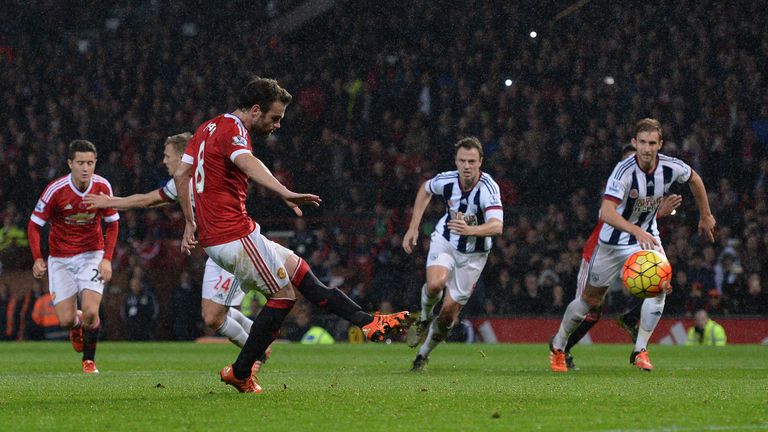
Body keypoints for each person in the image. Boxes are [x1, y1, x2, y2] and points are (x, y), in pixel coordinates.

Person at [174, 76, 412, 393]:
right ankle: (241, 372)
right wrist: (284, 191)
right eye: (275, 118)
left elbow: (181, 174)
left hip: (223, 236)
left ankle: (367, 322)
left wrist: (190, 221)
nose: (278, 125)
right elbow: (247, 161)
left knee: (302, 275)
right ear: (255, 110)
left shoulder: (207, 128)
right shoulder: (234, 130)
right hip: (233, 235)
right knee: (283, 297)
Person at [84, 133, 269, 369]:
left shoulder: (208, 174)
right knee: (214, 311)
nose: (164, 161)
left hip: (236, 245)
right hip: (217, 250)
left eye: (167, 155)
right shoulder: (181, 182)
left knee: (213, 316)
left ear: (183, 156)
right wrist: (110, 202)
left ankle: (256, 353)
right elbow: (147, 200)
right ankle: (260, 337)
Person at [549, 118, 716, 372]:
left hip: (646, 236)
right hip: (612, 241)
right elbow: (606, 212)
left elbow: (695, 179)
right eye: (642, 143)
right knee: (588, 301)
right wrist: (635, 229)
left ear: (660, 144)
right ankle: (559, 346)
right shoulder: (623, 171)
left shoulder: (670, 167)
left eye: (652, 143)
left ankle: (640, 350)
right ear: (634, 143)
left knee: (660, 285)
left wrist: (705, 215)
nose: (647, 148)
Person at [556, 144, 683, 370]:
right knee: (592, 309)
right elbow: (617, 218)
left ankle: (634, 331)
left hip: (631, 248)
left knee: (659, 283)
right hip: (600, 251)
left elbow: (640, 221)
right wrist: (656, 213)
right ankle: (560, 349)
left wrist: (655, 213)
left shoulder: (645, 185)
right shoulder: (617, 188)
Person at [402, 136, 503, 372]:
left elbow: (497, 226)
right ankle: (424, 318)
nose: (466, 166)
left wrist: (471, 230)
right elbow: (425, 189)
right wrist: (413, 227)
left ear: (480, 162)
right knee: (435, 284)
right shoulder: (447, 181)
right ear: (455, 162)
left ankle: (422, 355)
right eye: (462, 161)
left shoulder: (488, 188)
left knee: (448, 315)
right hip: (446, 240)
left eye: (471, 161)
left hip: (474, 256)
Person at [27, 140, 120, 374]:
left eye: (90, 163)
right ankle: (76, 324)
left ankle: (89, 361)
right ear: (70, 163)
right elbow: (34, 225)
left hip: (91, 254)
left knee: (91, 311)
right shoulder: (56, 190)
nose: (86, 168)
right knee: (66, 320)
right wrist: (38, 258)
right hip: (60, 259)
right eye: (80, 163)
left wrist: (107, 258)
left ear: (95, 163)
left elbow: (113, 224)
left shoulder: (102, 187)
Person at [120, 276, 159, 340]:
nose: (135, 286)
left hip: (145, 325)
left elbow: (154, 310)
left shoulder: (148, 296)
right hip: (132, 326)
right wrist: (128, 320)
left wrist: (149, 320)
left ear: (141, 285)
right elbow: (123, 311)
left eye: (137, 284)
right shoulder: (127, 297)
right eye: (133, 285)